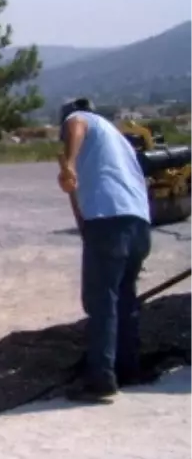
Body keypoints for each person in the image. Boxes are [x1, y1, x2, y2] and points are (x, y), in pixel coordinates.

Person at [56, 97, 152, 402]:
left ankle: (101, 379)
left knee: (101, 301)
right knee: (124, 297)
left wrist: (69, 163)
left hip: (108, 220)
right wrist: (84, 230)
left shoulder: (81, 120)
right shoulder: (116, 139)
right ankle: (129, 369)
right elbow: (75, 194)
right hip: (139, 223)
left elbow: (76, 125)